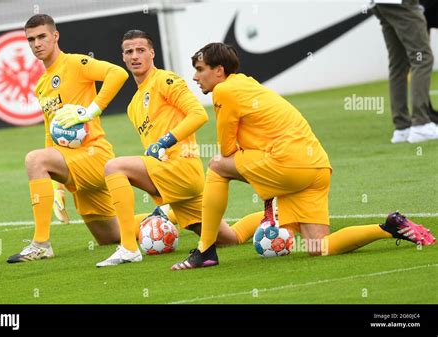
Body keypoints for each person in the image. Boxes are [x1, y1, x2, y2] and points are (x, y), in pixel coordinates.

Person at [171, 42, 436, 270]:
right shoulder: (246, 85)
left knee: (217, 166)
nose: (195, 77)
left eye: (199, 69)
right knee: (319, 246)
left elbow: (227, 151)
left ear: (219, 71)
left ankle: (205, 250)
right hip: (316, 167)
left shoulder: (224, 90)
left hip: (288, 164)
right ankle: (389, 227)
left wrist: (259, 177)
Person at [95, 30, 263, 267]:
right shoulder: (134, 105)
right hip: (174, 177)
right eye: (129, 52)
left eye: (141, 50)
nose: (135, 56)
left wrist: (166, 141)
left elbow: (198, 114)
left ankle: (128, 248)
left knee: (114, 167)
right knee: (229, 238)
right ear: (123, 57)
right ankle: (277, 214)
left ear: (152, 53)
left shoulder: (166, 80)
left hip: (181, 167)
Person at [7, 14, 131, 263]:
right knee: (111, 236)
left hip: (94, 156)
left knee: (34, 159)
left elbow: (117, 73)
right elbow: (49, 133)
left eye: (42, 36)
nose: (36, 43)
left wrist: (91, 110)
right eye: (31, 39)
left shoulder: (75, 63)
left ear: (55, 36)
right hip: (72, 165)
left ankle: (41, 244)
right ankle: (165, 216)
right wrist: (56, 187)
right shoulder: (41, 84)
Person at [371, 0, 438, 143]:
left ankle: (402, 127)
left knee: (399, 63)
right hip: (402, 3)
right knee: (422, 57)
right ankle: (421, 123)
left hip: (380, 3)